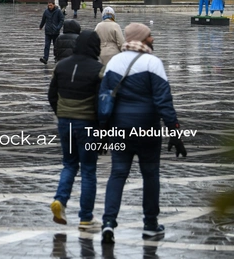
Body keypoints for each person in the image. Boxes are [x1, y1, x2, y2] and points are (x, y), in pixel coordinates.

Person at [99, 23, 187, 244]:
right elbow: (163, 101)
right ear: (142, 38)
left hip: (120, 129)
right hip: (147, 129)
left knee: (117, 174)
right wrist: (174, 131)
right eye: (149, 36)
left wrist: (102, 131)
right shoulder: (153, 63)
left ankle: (108, 222)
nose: (153, 39)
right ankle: (150, 224)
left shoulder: (114, 62)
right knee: (150, 175)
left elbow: (103, 98)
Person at [48, 30, 104, 229]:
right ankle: (86, 217)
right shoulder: (98, 69)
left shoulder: (61, 66)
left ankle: (60, 201)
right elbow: (101, 104)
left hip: (65, 123)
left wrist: (61, 112)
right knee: (88, 170)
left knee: (69, 165)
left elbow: (51, 95)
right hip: (87, 125)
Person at [39, 0, 64, 64]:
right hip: (48, 31)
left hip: (55, 32)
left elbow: (61, 20)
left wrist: (58, 27)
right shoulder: (46, 11)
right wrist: (41, 26)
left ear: (54, 5)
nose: (49, 7)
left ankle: (56, 58)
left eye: (51, 5)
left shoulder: (58, 11)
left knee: (56, 46)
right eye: (48, 5)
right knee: (47, 45)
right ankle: (45, 58)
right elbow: (43, 19)